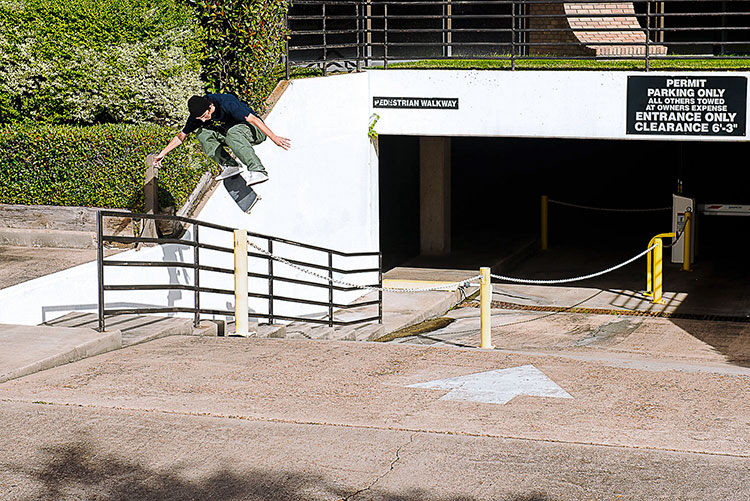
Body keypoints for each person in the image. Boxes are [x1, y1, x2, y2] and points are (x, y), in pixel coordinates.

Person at [153, 93, 291, 183]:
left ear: (210, 106)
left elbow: (253, 119)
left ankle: (258, 170)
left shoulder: (226, 102)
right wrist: (162, 154)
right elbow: (181, 136)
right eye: (199, 118)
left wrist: (274, 138)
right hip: (233, 136)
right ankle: (230, 166)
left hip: (254, 131)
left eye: (204, 116)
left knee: (232, 133)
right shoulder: (198, 115)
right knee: (202, 133)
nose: (203, 119)